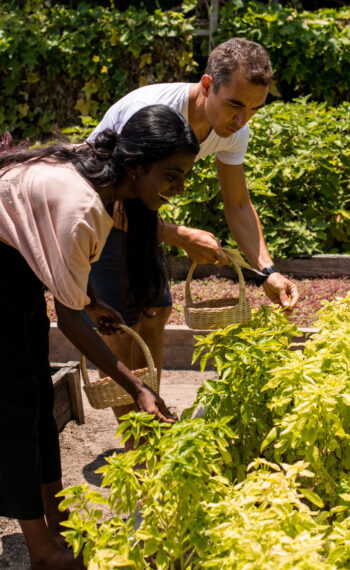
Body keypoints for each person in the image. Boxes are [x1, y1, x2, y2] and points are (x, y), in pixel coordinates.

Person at [0, 104, 199, 570]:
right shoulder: (84, 205)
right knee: (12, 410)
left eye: (184, 176)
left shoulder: (104, 182)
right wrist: (137, 387)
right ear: (136, 166)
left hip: (14, 268)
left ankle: (58, 519)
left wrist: (90, 299)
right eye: (171, 176)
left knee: (38, 398)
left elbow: (49, 244)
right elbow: (69, 324)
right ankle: (42, 551)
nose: (178, 189)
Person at [87, 38, 299, 422]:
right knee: (118, 327)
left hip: (143, 212)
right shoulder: (151, 112)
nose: (241, 119)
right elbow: (109, 199)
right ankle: (137, 440)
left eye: (254, 109)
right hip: (97, 206)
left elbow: (237, 203)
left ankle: (152, 417)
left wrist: (268, 270)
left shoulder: (235, 131)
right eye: (235, 104)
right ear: (206, 85)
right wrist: (179, 235)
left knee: (155, 313)